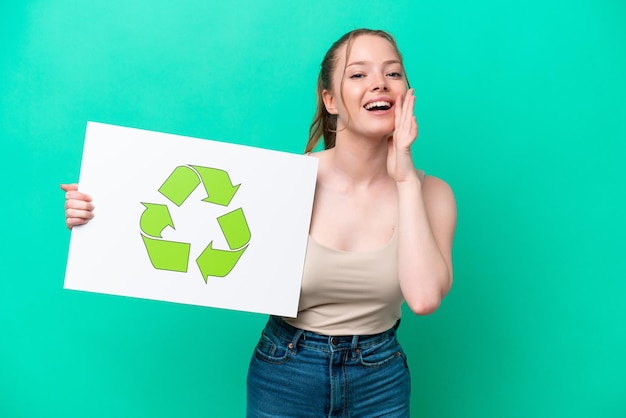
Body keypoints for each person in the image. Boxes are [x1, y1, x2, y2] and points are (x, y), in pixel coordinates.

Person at [62, 28, 456, 417]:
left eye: (393, 73)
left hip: (380, 376)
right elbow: (179, 219)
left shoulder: (432, 194)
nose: (379, 84)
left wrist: (404, 178)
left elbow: (423, 299)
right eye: (358, 74)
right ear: (331, 100)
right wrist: (98, 210)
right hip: (286, 369)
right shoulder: (281, 184)